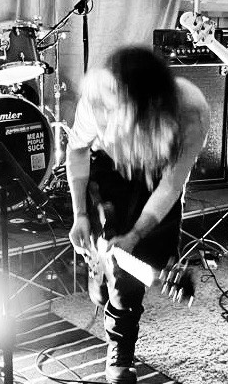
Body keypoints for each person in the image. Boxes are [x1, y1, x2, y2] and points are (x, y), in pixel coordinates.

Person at [66, 46, 209, 384]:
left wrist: (136, 234)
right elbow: (78, 150)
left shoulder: (191, 112)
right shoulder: (97, 99)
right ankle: (102, 274)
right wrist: (80, 214)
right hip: (110, 168)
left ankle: (121, 350)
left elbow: (171, 185)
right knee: (114, 276)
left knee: (144, 260)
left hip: (159, 173)